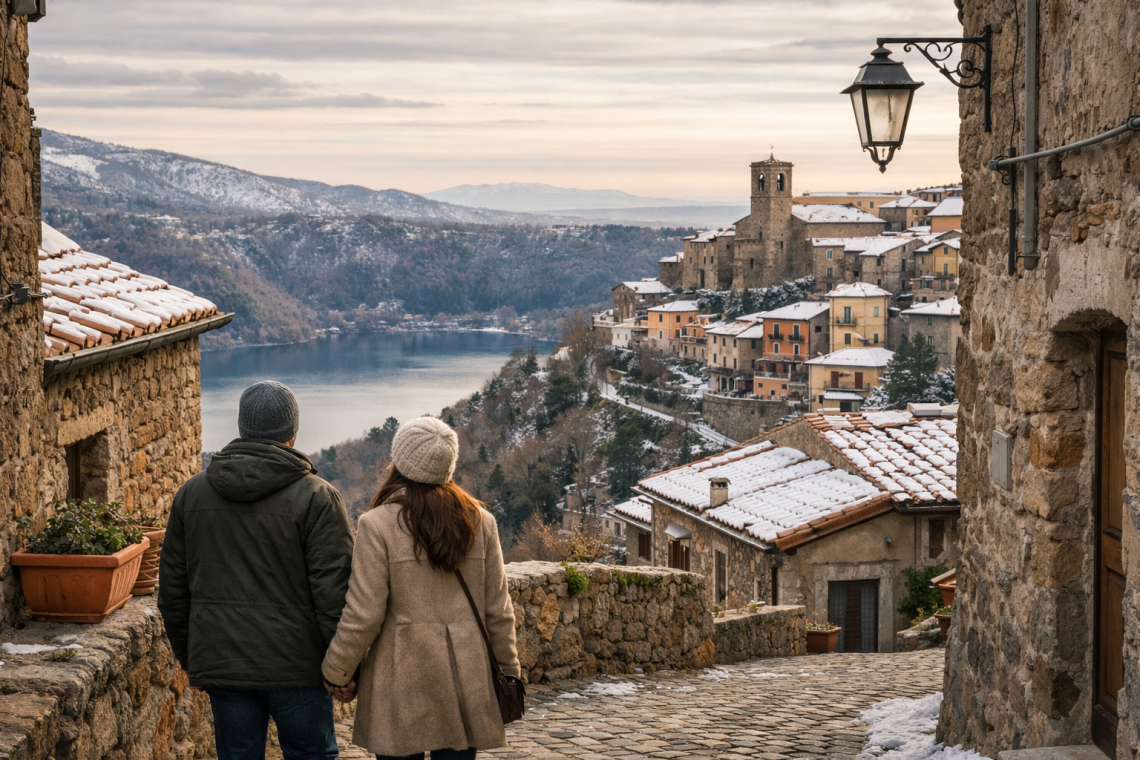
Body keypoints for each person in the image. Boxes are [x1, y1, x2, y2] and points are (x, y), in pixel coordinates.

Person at [158, 380, 354, 760]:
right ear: (292, 434)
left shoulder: (192, 494)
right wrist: (343, 668)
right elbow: (335, 595)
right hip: (299, 668)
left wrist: (194, 658)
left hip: (224, 662)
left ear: (242, 428)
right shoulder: (317, 498)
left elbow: (173, 592)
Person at [321, 417, 520, 760]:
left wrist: (337, 671)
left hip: (400, 678)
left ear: (399, 462)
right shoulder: (481, 521)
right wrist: (510, 672)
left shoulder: (377, 524)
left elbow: (364, 614)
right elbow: (498, 611)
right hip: (466, 678)